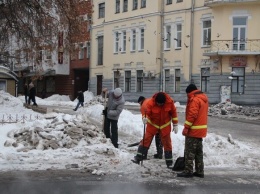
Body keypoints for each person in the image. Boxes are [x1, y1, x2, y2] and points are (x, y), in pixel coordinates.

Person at [132, 92, 178, 168]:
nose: (159, 105)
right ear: (156, 101)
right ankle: (139, 157)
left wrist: (175, 124)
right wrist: (144, 118)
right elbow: (146, 112)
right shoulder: (151, 103)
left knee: (167, 143)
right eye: (158, 104)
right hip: (153, 124)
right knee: (146, 139)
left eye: (161, 104)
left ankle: (169, 162)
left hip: (164, 125)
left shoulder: (170, 102)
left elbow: (174, 113)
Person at [177, 84, 208, 178]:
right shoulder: (203, 99)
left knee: (189, 152)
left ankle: (188, 171)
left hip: (193, 130)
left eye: (187, 94)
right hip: (201, 130)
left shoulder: (194, 100)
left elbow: (192, 115)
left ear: (190, 92)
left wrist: (186, 127)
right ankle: (200, 171)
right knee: (198, 152)